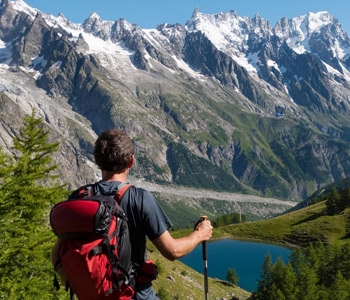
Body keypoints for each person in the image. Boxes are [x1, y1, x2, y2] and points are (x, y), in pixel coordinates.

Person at [51, 128, 213, 300]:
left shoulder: (79, 198)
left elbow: (57, 253)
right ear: (131, 161)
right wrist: (199, 234)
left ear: (97, 160)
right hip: (134, 294)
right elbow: (172, 251)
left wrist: (82, 285)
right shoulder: (139, 198)